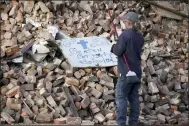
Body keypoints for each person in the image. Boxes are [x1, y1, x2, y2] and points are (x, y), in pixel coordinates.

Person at [110, 12, 144, 126]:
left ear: (129, 22)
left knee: (121, 97)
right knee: (134, 97)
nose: (123, 23)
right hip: (137, 72)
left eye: (124, 22)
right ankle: (133, 122)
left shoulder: (125, 35)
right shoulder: (140, 36)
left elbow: (118, 51)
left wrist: (113, 46)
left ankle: (121, 123)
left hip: (126, 72)